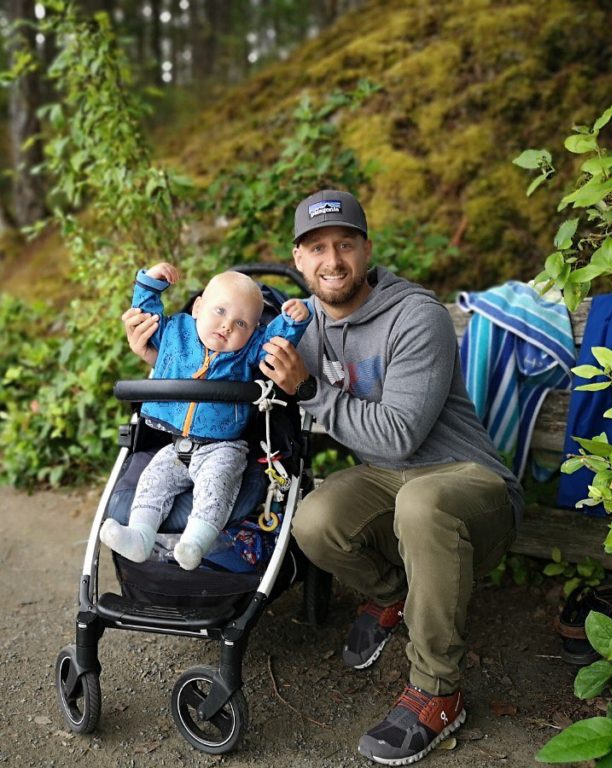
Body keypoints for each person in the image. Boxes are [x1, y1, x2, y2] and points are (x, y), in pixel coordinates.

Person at [123, 191, 525, 764]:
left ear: (366, 250)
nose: (331, 260)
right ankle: (398, 597)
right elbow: (227, 362)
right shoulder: (300, 327)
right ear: (298, 258)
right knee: (313, 521)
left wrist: (310, 389)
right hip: (389, 483)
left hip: (465, 480)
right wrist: (161, 356)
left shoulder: (417, 317)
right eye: (316, 248)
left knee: (422, 505)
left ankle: (438, 691)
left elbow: (398, 438)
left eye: (344, 244)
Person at [103, 262, 311, 571]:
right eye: (220, 312)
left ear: (254, 331)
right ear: (198, 307)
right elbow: (145, 316)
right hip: (176, 445)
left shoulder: (248, 350)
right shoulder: (175, 333)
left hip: (223, 446)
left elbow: (274, 343)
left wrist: (293, 322)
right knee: (151, 482)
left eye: (241, 323)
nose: (228, 325)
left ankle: (195, 543)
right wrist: (149, 283)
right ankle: (140, 537)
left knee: (216, 485)